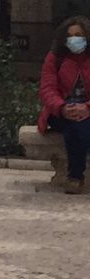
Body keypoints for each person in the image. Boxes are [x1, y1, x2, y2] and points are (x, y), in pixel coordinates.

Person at [39, 15, 90, 194]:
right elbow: (47, 88)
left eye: (79, 35)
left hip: (87, 111)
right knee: (76, 124)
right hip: (59, 111)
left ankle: (75, 176)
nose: (74, 39)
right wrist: (62, 107)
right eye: (70, 36)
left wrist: (87, 108)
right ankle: (76, 176)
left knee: (76, 128)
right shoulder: (55, 57)